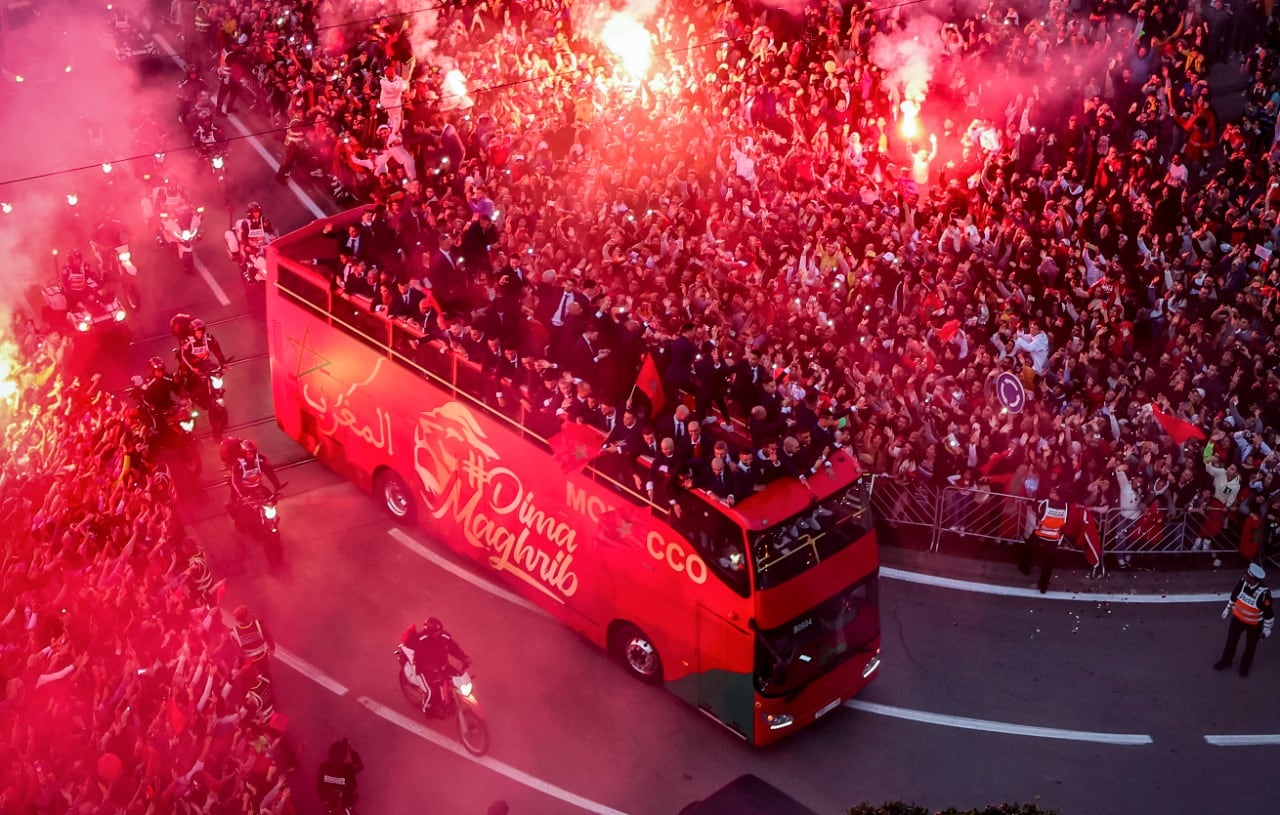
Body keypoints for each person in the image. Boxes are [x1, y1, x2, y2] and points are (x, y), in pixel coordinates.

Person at [1214, 563, 1274, 677]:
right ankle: (1226, 660)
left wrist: (1267, 628)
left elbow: (1269, 613)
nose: (1244, 575)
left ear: (1253, 579)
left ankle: (1245, 666)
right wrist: (1228, 608)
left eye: (1247, 575)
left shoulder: (1264, 594)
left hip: (1254, 624)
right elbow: (1234, 595)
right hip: (1237, 620)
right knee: (1231, 642)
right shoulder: (1242, 583)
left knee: (1250, 647)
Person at [403, 617, 469, 713]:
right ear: (428, 632)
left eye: (439, 632)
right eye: (435, 633)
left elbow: (453, 648)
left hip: (442, 665)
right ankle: (426, 709)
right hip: (425, 670)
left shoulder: (444, 636)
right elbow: (409, 645)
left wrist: (464, 658)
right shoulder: (420, 639)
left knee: (458, 679)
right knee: (431, 692)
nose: (438, 635)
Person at [1019, 484, 1069, 594]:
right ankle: (1043, 585)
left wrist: (1034, 502)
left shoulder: (1045, 503)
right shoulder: (1066, 506)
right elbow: (1065, 521)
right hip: (1054, 537)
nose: (1051, 493)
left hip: (1041, 533)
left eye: (1054, 492)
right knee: (1048, 563)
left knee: (1029, 549)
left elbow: (1037, 512)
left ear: (1058, 495)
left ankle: (1025, 567)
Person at [316, 738, 364, 811]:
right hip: (343, 806)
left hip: (331, 805)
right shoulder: (347, 769)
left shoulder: (324, 767)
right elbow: (360, 766)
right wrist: (350, 749)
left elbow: (319, 788)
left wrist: (328, 798)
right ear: (344, 756)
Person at [179, 318, 230, 387]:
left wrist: (223, 362)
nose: (200, 334)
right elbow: (185, 356)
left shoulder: (209, 338)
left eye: (201, 332)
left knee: (215, 371)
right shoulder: (187, 342)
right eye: (197, 333)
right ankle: (188, 396)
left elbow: (217, 351)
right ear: (193, 332)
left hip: (205, 362)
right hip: (191, 364)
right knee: (189, 380)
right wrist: (193, 367)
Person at [231, 604, 276, 679]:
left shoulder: (234, 633)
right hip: (263, 657)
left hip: (250, 662)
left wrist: (238, 665)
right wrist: (271, 651)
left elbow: (238, 651)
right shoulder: (258, 625)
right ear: (248, 615)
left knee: (252, 680)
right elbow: (269, 638)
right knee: (266, 677)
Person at [231, 439, 282, 503]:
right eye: (249, 453)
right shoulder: (238, 465)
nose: (251, 455)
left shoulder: (261, 460)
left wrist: (277, 486)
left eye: (253, 453)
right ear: (243, 453)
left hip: (258, 486)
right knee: (244, 508)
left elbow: (270, 473)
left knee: (272, 500)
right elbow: (236, 481)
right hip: (245, 490)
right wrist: (242, 495)